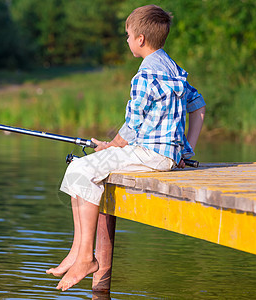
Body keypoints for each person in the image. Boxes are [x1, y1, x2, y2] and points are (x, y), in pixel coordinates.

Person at [46, 4, 206, 291]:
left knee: (80, 168)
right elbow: (200, 107)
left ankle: (86, 257)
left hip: (150, 154)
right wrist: (186, 150)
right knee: (78, 169)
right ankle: (77, 251)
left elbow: (132, 126)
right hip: (163, 154)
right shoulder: (175, 70)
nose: (127, 40)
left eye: (128, 35)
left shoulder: (145, 76)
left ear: (140, 40)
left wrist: (111, 146)